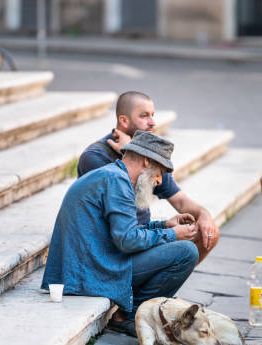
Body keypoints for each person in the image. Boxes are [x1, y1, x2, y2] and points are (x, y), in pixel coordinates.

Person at [41, 132, 200, 337]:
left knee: (177, 246)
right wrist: (173, 235)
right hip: (89, 275)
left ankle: (133, 312)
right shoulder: (117, 181)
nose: (160, 180)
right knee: (186, 251)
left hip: (87, 267)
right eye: (160, 172)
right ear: (146, 161)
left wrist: (165, 226)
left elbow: (124, 234)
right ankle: (132, 317)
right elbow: (127, 241)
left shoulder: (113, 176)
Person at [77, 91, 219, 264]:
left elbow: (180, 201)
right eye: (144, 116)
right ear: (123, 120)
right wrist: (127, 153)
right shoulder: (95, 157)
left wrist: (204, 215)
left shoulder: (150, 155)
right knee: (185, 251)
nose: (152, 122)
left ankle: (159, 283)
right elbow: (118, 203)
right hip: (114, 245)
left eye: (153, 115)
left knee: (208, 232)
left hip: (142, 235)